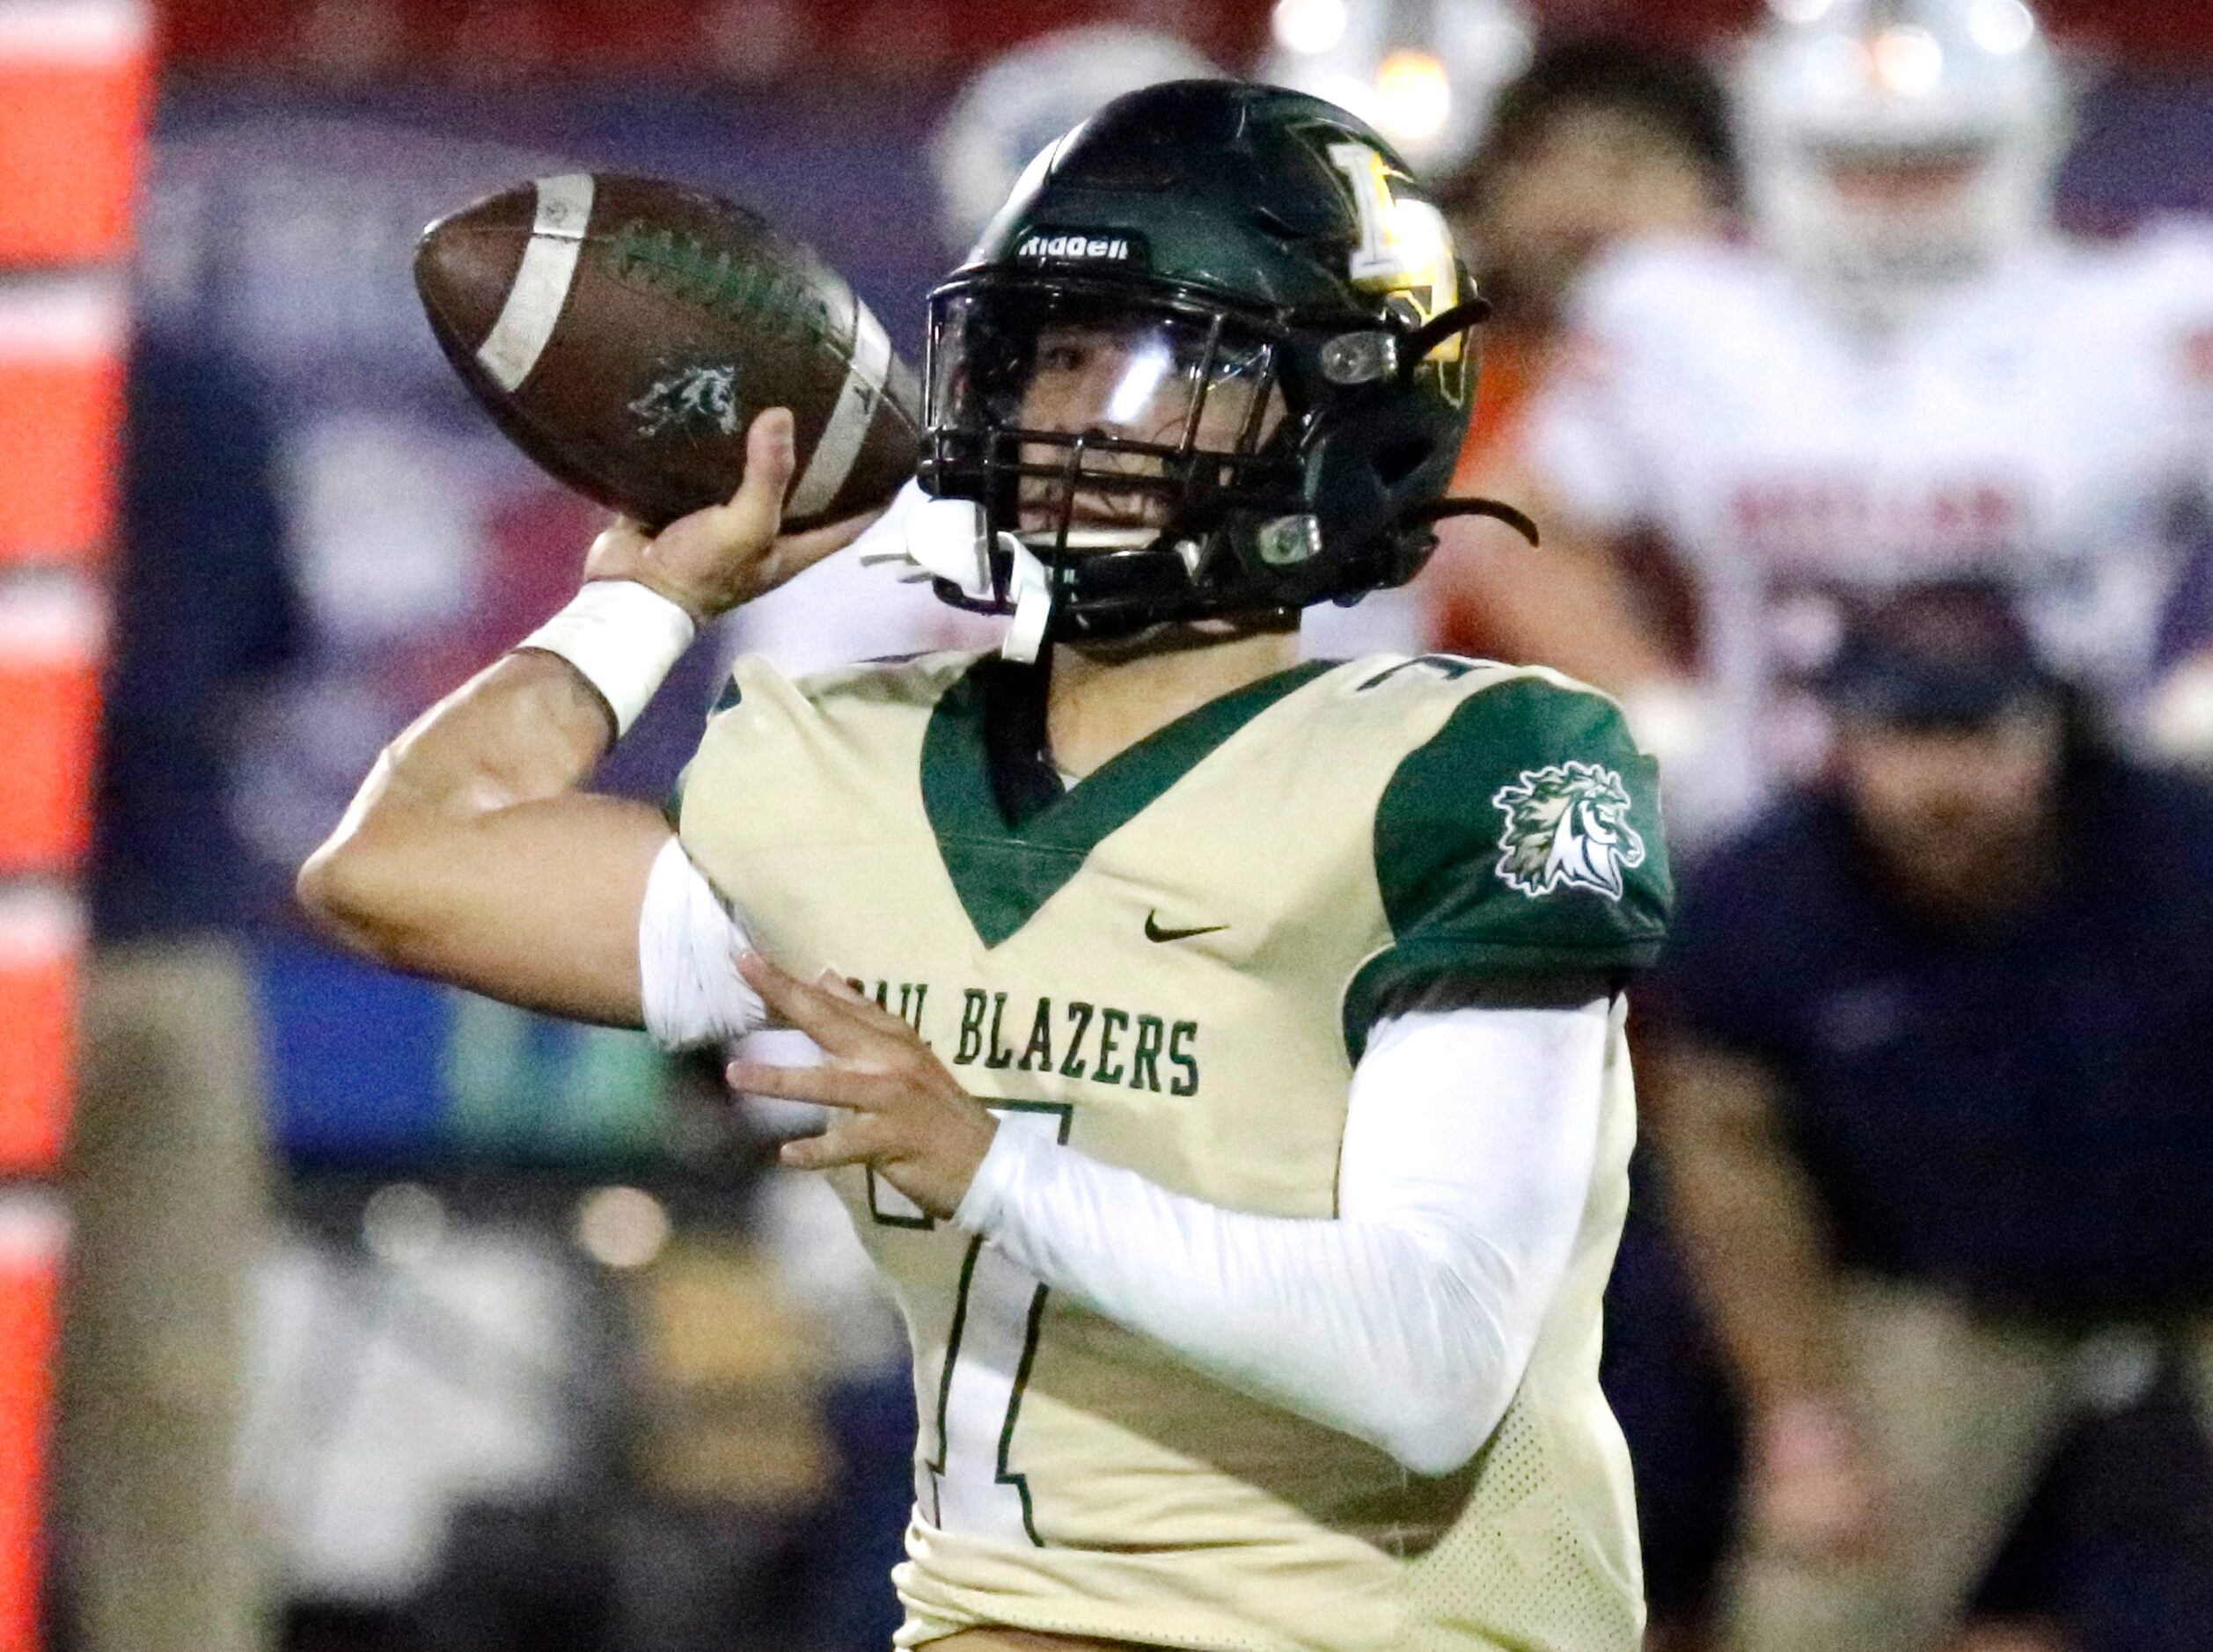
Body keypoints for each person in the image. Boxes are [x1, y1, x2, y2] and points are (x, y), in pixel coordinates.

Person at [298, 82, 1674, 1650]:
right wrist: (647, 599)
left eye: (1163, 362)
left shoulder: (1466, 768)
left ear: (1337, 411)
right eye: (1053, 354)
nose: (1075, 418)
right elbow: (396, 868)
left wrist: (994, 1164)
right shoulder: (857, 763)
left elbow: (1432, 1367)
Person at [1642, 580, 2213, 1652]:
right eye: (1905, 734)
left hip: (2199, 1274)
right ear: (1841, 737)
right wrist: (1800, 1424)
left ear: (2054, 727)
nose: (1944, 781)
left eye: (1981, 733)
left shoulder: (2182, 854)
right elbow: (1731, 1181)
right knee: (1813, 1613)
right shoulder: (1760, 904)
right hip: (1943, 1298)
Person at [1504, 0, 2213, 840]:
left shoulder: (2144, 305)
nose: (1889, 197)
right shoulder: (1673, 310)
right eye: (1853, 163)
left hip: (2079, 843)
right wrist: (1648, 698)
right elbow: (1514, 528)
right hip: (1756, 831)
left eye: (1931, 165)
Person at [67, 331, 300, 1652]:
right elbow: (261, 647)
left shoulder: (190, 389)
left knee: (173, 1391)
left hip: (141, 933)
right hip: (160, 930)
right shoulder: (195, 388)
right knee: (169, 1395)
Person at [1422, 37, 1740, 667]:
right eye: (1539, 163)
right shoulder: (1431, 384)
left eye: (1625, 164)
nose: (1577, 201)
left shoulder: (1787, 366)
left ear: (1720, 193)